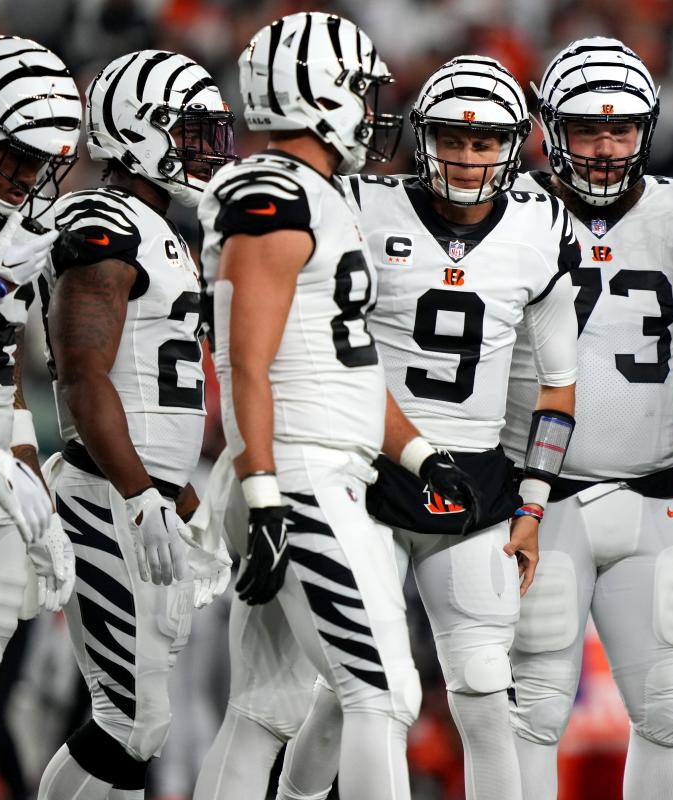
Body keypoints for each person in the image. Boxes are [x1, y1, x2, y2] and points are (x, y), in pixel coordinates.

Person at [268, 53, 580, 800]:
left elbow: (559, 388)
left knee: (482, 685)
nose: (466, 158)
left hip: (474, 482)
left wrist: (532, 506)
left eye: (483, 143)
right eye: (450, 139)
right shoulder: (358, 207)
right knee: (360, 689)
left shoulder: (542, 226)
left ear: (513, 146)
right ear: (420, 138)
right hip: (363, 473)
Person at [196, 14, 479, 800]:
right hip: (297, 473)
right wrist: (263, 492)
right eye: (359, 89)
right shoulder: (274, 191)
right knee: (383, 694)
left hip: (310, 464)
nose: (369, 105)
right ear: (316, 92)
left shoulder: (320, 194)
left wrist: (418, 452)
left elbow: (343, 357)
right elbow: (246, 364)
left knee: (266, 710)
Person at [503, 37, 673, 800]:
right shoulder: (514, 211)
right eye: (586, 129)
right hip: (538, 498)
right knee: (534, 707)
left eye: (622, 128)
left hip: (651, 491)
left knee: (669, 709)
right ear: (549, 128)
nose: (606, 148)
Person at [36, 49, 235, 800]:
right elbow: (85, 377)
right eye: (187, 131)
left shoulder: (160, 231)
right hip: (108, 494)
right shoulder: (104, 219)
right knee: (131, 720)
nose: (202, 149)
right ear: (139, 130)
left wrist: (178, 499)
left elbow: (152, 381)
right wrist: (137, 492)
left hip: (141, 497)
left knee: (141, 723)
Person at [0, 33, 79, 752]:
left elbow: (2, 372)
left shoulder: (10, 220)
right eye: (18, 155)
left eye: (44, 164)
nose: (27, 178)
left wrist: (26, 466)